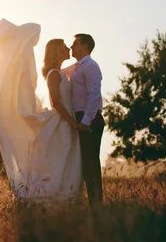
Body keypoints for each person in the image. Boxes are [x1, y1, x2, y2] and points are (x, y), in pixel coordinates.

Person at [0, 19, 82, 202]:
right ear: (57, 51)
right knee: (62, 160)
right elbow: (55, 102)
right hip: (64, 121)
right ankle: (57, 197)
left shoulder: (62, 72)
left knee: (70, 159)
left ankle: (70, 196)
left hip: (69, 120)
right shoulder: (54, 74)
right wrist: (72, 122)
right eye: (64, 46)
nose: (69, 48)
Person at [70, 33, 105, 205]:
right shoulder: (77, 67)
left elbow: (94, 94)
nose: (71, 47)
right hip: (82, 118)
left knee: (91, 163)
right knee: (85, 163)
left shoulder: (90, 66)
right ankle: (93, 203)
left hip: (89, 119)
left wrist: (86, 121)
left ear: (85, 46)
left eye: (75, 43)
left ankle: (96, 203)